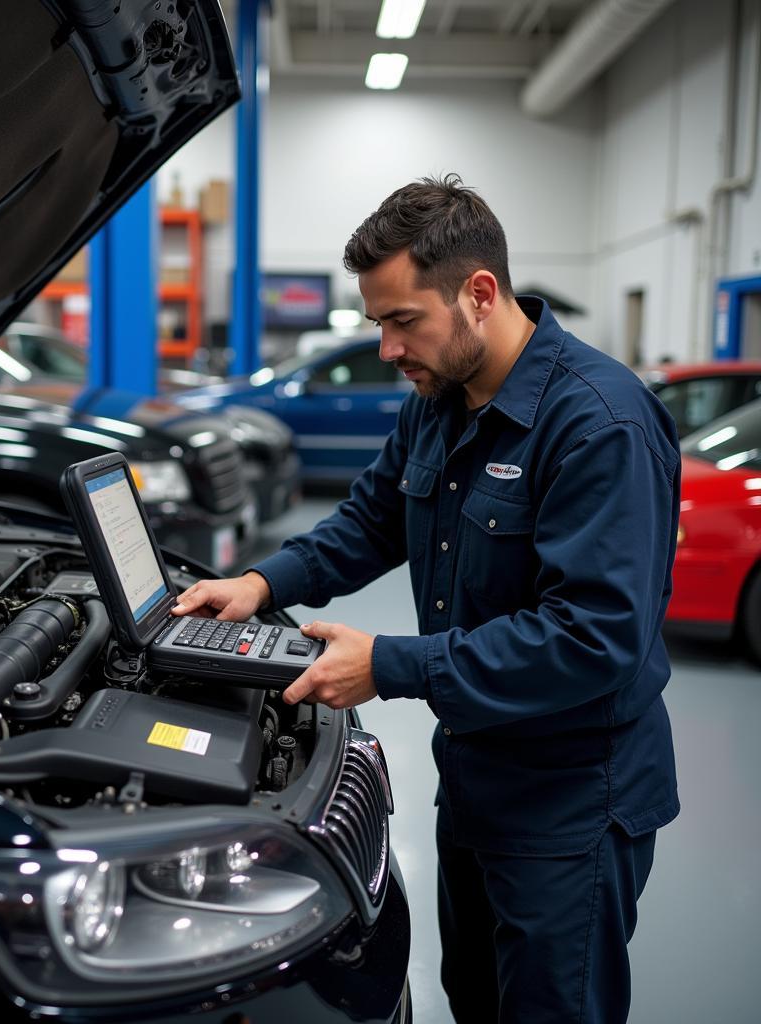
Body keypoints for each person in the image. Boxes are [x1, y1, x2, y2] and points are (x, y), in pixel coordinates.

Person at [173, 175, 680, 1024]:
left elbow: (592, 638)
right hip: (476, 774)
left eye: (403, 320)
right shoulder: (440, 402)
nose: (387, 348)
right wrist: (261, 583)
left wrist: (389, 666)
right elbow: (372, 521)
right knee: (474, 998)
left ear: (480, 294)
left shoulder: (599, 425)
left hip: (571, 803)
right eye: (378, 323)